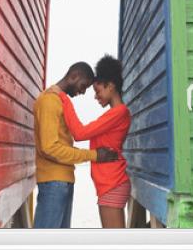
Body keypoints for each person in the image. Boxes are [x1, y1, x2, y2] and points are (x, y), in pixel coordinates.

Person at [33, 61, 119, 229]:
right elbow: (49, 148)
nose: (83, 91)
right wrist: (94, 155)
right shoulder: (50, 101)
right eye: (83, 86)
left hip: (61, 182)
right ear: (73, 76)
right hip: (53, 183)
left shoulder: (60, 101)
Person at [57, 55, 131, 228]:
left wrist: (64, 99)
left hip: (112, 183)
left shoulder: (119, 112)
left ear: (110, 86)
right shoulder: (115, 114)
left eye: (98, 91)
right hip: (109, 183)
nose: (96, 97)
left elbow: (80, 133)